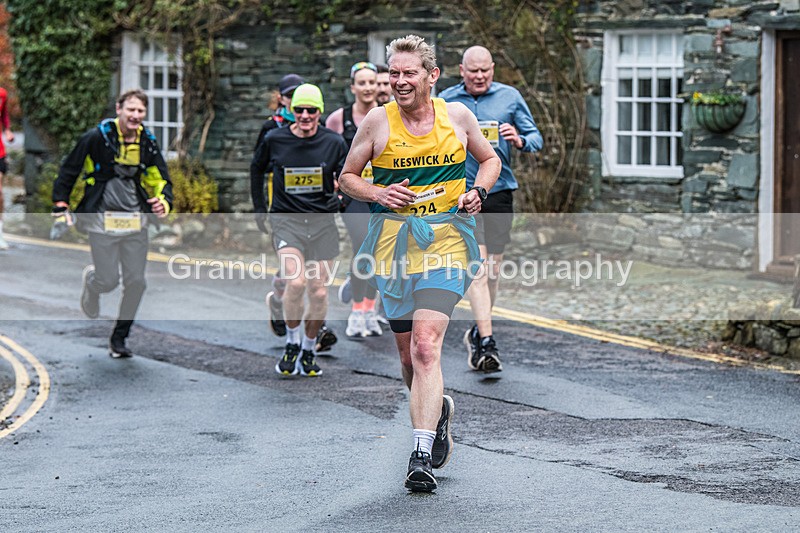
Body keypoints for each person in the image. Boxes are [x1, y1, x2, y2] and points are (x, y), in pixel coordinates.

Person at [339, 35, 501, 492]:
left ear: (432, 76)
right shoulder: (376, 122)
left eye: (409, 72)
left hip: (447, 243)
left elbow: (489, 161)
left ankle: (420, 453)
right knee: (409, 356)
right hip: (393, 248)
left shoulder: (458, 117)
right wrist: (378, 193)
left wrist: (479, 191)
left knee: (427, 346)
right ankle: (437, 410)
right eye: (395, 72)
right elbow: (347, 178)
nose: (399, 80)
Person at [439, 46, 543, 374]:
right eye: (474, 71)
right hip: (463, 195)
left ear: (493, 69)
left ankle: (478, 330)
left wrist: (520, 140)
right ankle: (487, 340)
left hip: (498, 192)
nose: (480, 76)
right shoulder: (446, 101)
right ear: (462, 70)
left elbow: (536, 138)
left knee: (493, 271)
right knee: (479, 269)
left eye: (485, 70)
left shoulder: (510, 98)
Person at [51, 89, 172, 358]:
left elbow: (160, 177)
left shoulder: (148, 142)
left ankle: (119, 338)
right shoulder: (97, 138)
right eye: (131, 109)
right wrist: (60, 203)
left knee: (137, 282)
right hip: (101, 221)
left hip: (134, 222)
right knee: (108, 281)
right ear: (119, 109)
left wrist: (163, 200)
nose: (135, 115)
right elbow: (70, 169)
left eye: (140, 111)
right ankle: (93, 284)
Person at [251, 83, 348, 377]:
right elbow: (257, 169)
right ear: (291, 111)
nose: (305, 115)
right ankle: (291, 342)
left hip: (322, 225)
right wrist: (259, 208)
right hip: (287, 222)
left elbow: (348, 177)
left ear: (320, 112)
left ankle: (308, 348)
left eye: (311, 110)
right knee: (295, 284)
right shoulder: (275, 139)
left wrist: (341, 199)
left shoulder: (334, 142)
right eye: (300, 110)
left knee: (318, 292)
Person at [326, 61, 384, 338]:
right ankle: (357, 310)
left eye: (372, 82)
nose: (367, 87)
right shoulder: (339, 118)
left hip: (383, 194)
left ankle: (370, 309)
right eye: (361, 82)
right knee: (363, 244)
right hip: (352, 195)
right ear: (353, 87)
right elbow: (327, 155)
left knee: (379, 250)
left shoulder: (387, 116)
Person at [0, 86, 15, 250]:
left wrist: (8, 130)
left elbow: (4, 115)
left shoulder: (2, 94)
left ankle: (0, 233)